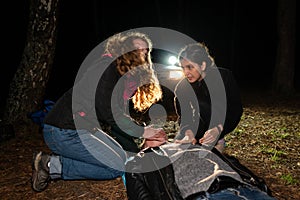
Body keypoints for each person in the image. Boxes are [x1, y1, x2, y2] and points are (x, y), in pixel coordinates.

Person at [31, 31, 167, 192]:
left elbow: (117, 117)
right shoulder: (107, 66)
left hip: (84, 129)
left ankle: (63, 161)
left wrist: (143, 140)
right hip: (63, 130)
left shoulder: (122, 76)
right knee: (115, 168)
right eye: (136, 48)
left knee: (123, 159)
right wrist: (142, 132)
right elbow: (107, 111)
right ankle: (49, 165)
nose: (141, 54)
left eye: (145, 51)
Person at [125, 142, 275, 200]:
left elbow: (236, 166)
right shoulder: (146, 159)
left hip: (248, 190)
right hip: (209, 195)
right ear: (144, 146)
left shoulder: (198, 146)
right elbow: (134, 182)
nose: (160, 132)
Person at [173, 42, 243, 152]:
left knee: (209, 160)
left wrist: (219, 129)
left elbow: (235, 110)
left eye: (190, 67)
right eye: (183, 68)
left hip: (218, 125)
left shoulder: (224, 78)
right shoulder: (182, 87)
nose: (186, 73)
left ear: (203, 65)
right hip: (195, 127)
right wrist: (188, 132)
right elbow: (184, 114)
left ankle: (218, 141)